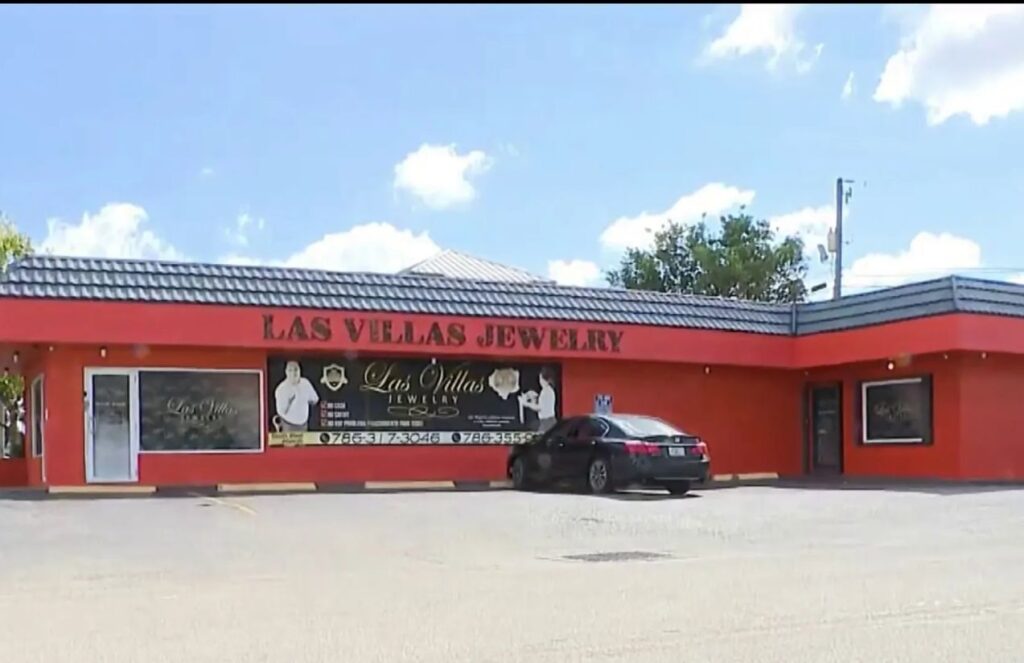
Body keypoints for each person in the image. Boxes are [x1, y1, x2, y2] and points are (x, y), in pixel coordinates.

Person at [274, 361, 320, 432]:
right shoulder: (281, 389)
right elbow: (281, 412)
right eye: (290, 370)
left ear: (300, 371)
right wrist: (289, 403)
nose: (293, 373)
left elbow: (315, 400)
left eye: (296, 369)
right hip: (288, 426)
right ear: (286, 372)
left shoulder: (306, 383)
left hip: (304, 426)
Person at [518, 366, 558, 433]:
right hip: (548, 421)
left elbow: (539, 408)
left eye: (540, 378)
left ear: (542, 379)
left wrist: (526, 403)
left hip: (547, 421)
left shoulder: (546, 391)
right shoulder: (549, 390)